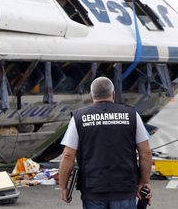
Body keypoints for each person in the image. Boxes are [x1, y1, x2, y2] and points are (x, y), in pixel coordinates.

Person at [59, 77, 153, 209]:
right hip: (124, 188)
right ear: (113, 94)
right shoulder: (132, 115)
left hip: (93, 189)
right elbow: (146, 152)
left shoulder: (79, 118)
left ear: (91, 95)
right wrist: (144, 182)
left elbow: (68, 155)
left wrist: (63, 187)